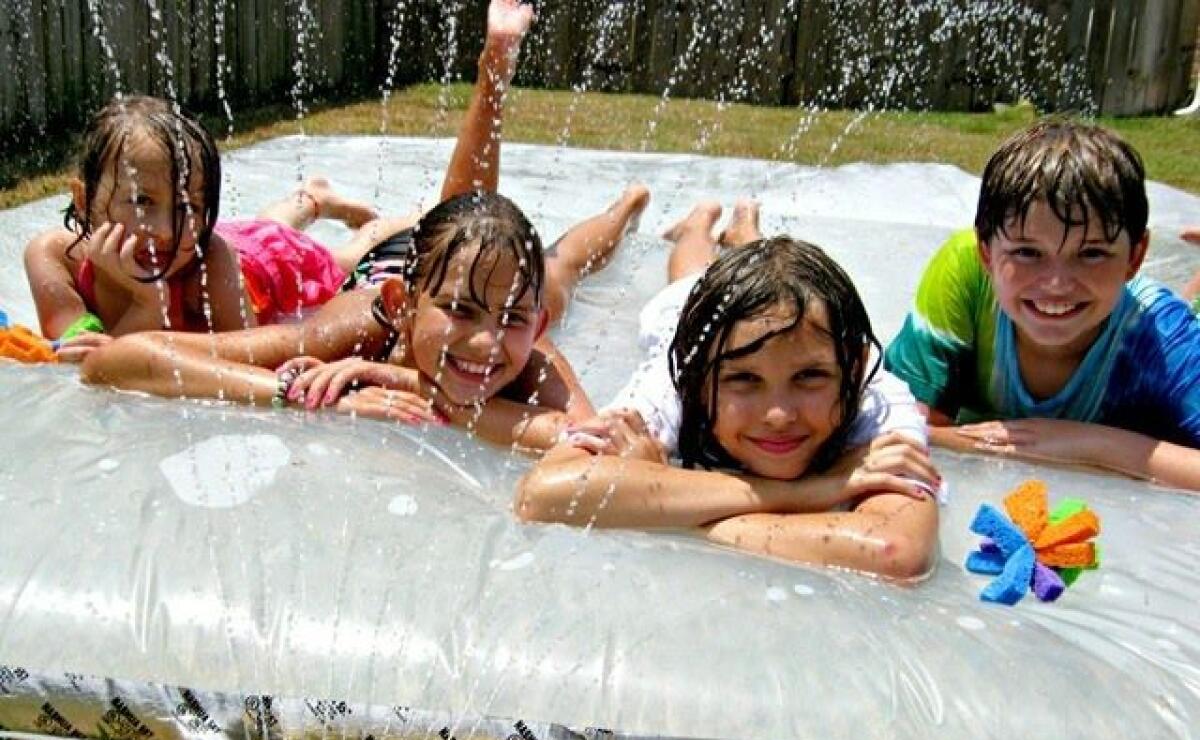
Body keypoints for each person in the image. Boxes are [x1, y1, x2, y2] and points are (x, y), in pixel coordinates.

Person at [25, 0, 536, 359]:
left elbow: (233, 353)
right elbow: (78, 347)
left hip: (271, 266)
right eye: (141, 200)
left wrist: (146, 302)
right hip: (248, 238)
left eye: (188, 207)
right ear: (85, 199)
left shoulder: (210, 258)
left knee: (342, 257)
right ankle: (315, 198)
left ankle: (404, 215)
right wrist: (141, 301)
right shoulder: (52, 257)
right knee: (266, 226)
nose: (164, 228)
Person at [515, 202, 940, 582]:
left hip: (745, 321)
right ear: (698, 380)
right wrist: (804, 492)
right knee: (688, 276)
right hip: (685, 309)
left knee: (773, 278)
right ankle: (695, 227)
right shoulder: (672, 381)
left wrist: (668, 496)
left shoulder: (878, 402)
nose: (778, 414)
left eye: (810, 377)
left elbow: (895, 552)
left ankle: (745, 233)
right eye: (743, 380)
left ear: (855, 366)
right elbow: (542, 495)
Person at [81, 186, 647, 451]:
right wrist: (292, 389)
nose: (486, 341)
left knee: (563, 267)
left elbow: (594, 444)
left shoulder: (534, 358)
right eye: (459, 312)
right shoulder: (351, 331)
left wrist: (418, 387)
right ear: (403, 307)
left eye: (514, 320)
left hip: (468, 268)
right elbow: (119, 360)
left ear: (536, 324)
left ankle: (624, 209)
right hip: (395, 262)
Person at [884, 120, 1200, 491]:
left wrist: (1088, 442)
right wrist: (1022, 447)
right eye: (1027, 253)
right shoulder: (965, 277)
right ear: (987, 253)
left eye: (1092, 253)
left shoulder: (1157, 337)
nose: (1056, 284)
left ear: (1135, 256)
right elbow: (903, 431)